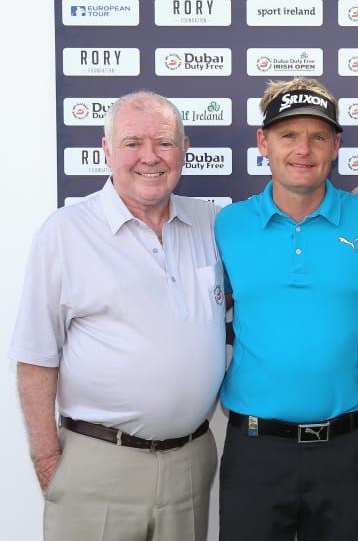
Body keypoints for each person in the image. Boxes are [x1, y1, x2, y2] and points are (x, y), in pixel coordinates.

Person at [9, 91, 224, 540]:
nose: (150, 157)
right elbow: (35, 357)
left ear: (185, 150)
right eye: (132, 143)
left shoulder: (213, 224)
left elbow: (286, 226)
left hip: (191, 463)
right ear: (106, 151)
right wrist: (48, 461)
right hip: (99, 466)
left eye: (164, 142)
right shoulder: (65, 233)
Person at [215, 77, 358, 541]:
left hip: (344, 450)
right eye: (288, 135)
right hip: (254, 450)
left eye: (317, 136)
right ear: (263, 143)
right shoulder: (228, 224)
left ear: (336, 145)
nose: (303, 149)